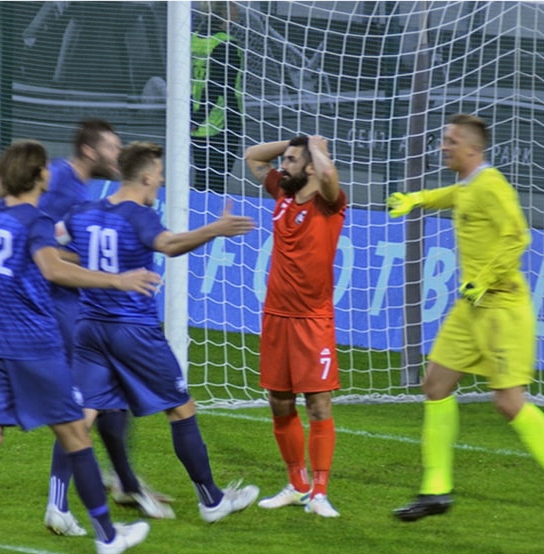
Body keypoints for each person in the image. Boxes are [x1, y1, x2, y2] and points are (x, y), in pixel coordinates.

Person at [0, 120, 173, 533]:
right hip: (54, 314)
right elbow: (49, 259)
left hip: (13, 326)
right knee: (83, 411)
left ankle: (118, 485)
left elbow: (4, 195)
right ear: (88, 151)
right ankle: (78, 512)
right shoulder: (61, 182)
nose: (118, 154)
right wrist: (110, 273)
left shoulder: (57, 192)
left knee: (95, 405)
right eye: (112, 147)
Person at [386, 114, 544, 533]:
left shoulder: (492, 185)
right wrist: (418, 199)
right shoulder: (470, 185)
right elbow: (456, 197)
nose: (443, 146)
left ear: (472, 149)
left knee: (508, 402)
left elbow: (519, 237)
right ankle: (436, 489)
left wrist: (485, 278)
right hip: (471, 305)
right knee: (436, 384)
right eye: (444, 139)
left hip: (501, 306)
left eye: (451, 141)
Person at [58, 140, 260, 523]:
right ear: (147, 176)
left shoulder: (84, 212)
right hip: (132, 330)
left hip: (89, 329)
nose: (160, 182)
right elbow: (169, 245)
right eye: (160, 176)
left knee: (81, 416)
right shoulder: (139, 216)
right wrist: (214, 229)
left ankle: (59, 506)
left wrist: (89, 268)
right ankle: (212, 500)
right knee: (181, 409)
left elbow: (52, 245)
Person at [243, 134, 346, 518]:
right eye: (284, 160)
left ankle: (319, 492)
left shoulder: (329, 203)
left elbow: (330, 174)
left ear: (310, 168)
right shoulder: (282, 192)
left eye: (290, 161)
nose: (282, 166)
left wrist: (317, 149)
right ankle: (297, 484)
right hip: (276, 317)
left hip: (312, 321)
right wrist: (292, 142)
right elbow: (253, 157)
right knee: (279, 401)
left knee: (318, 404)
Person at [190, 1, 243, 193]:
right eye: (235, 6)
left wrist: (193, 116)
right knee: (216, 182)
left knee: (202, 178)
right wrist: (200, 117)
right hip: (221, 120)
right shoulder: (226, 43)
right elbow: (217, 86)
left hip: (196, 116)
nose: (239, 10)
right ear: (225, 11)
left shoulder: (194, 39)